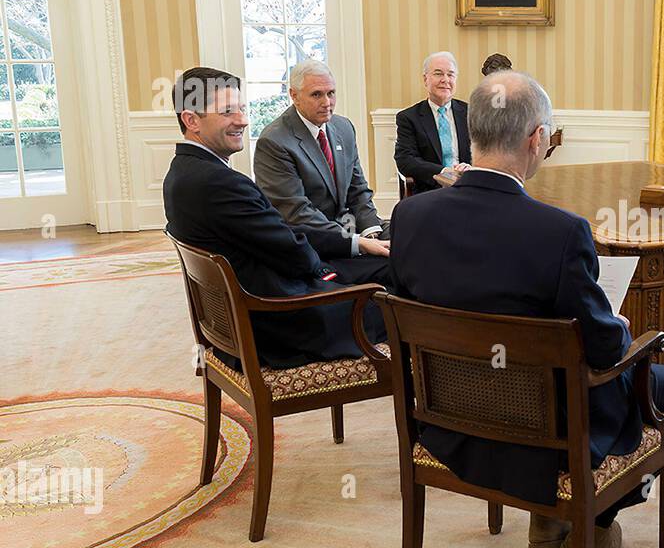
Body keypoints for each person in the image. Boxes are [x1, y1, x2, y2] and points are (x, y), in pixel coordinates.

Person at [389, 70, 664, 548]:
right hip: (550, 436)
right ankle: (594, 517)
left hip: (449, 421)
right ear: (537, 139)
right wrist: (619, 329)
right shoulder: (560, 233)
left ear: (473, 131)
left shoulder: (409, 217)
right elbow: (605, 352)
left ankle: (550, 515)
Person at [163, 67, 386, 369]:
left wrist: (358, 244)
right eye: (228, 111)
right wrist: (331, 273)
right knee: (393, 298)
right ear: (192, 120)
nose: (242, 119)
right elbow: (293, 252)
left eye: (241, 108)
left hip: (243, 316)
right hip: (281, 322)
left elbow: (280, 235)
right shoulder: (219, 183)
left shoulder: (181, 173)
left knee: (375, 259)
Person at [253, 60, 390, 285]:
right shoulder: (274, 141)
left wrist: (371, 231)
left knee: (410, 239)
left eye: (331, 93)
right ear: (294, 95)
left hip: (348, 225)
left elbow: (358, 189)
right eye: (317, 95)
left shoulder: (343, 127)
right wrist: (356, 242)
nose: (327, 103)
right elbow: (297, 212)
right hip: (311, 240)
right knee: (389, 266)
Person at [394, 52, 471, 194]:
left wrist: (469, 168)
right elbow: (406, 160)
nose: (445, 80)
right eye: (438, 74)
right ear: (425, 79)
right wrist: (443, 172)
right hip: (429, 190)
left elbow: (486, 153)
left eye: (451, 74)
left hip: (467, 187)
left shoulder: (471, 114)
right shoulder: (409, 118)